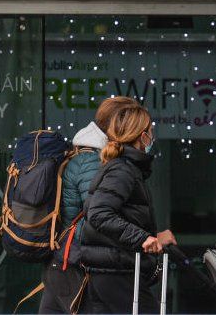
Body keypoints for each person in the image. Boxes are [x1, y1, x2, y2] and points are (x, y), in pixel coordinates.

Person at [38, 97, 137, 313]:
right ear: (116, 126)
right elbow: (96, 216)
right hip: (75, 264)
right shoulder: (90, 161)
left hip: (65, 263)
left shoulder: (89, 156)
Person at [78, 98, 176, 314]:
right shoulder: (123, 170)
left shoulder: (123, 168)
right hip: (118, 274)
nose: (152, 136)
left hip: (112, 271)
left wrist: (154, 237)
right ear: (143, 136)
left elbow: (119, 218)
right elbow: (100, 214)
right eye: (150, 130)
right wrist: (143, 238)